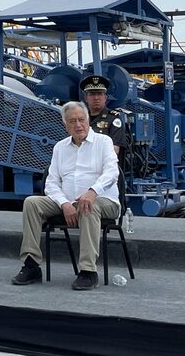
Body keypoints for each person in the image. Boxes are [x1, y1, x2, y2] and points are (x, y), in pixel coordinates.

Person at [11, 101, 119, 291]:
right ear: (65, 125)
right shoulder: (60, 147)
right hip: (67, 202)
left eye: (81, 120)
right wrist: (64, 204)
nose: (78, 125)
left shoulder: (104, 142)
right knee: (32, 203)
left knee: (87, 205)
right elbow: (51, 183)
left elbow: (112, 173)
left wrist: (92, 192)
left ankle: (88, 271)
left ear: (88, 121)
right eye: (72, 121)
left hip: (103, 200)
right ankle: (31, 265)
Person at [80, 75, 127, 156]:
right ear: (86, 98)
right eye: (92, 94)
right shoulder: (80, 119)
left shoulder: (113, 119)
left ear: (105, 98)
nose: (96, 98)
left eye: (99, 94)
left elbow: (115, 150)